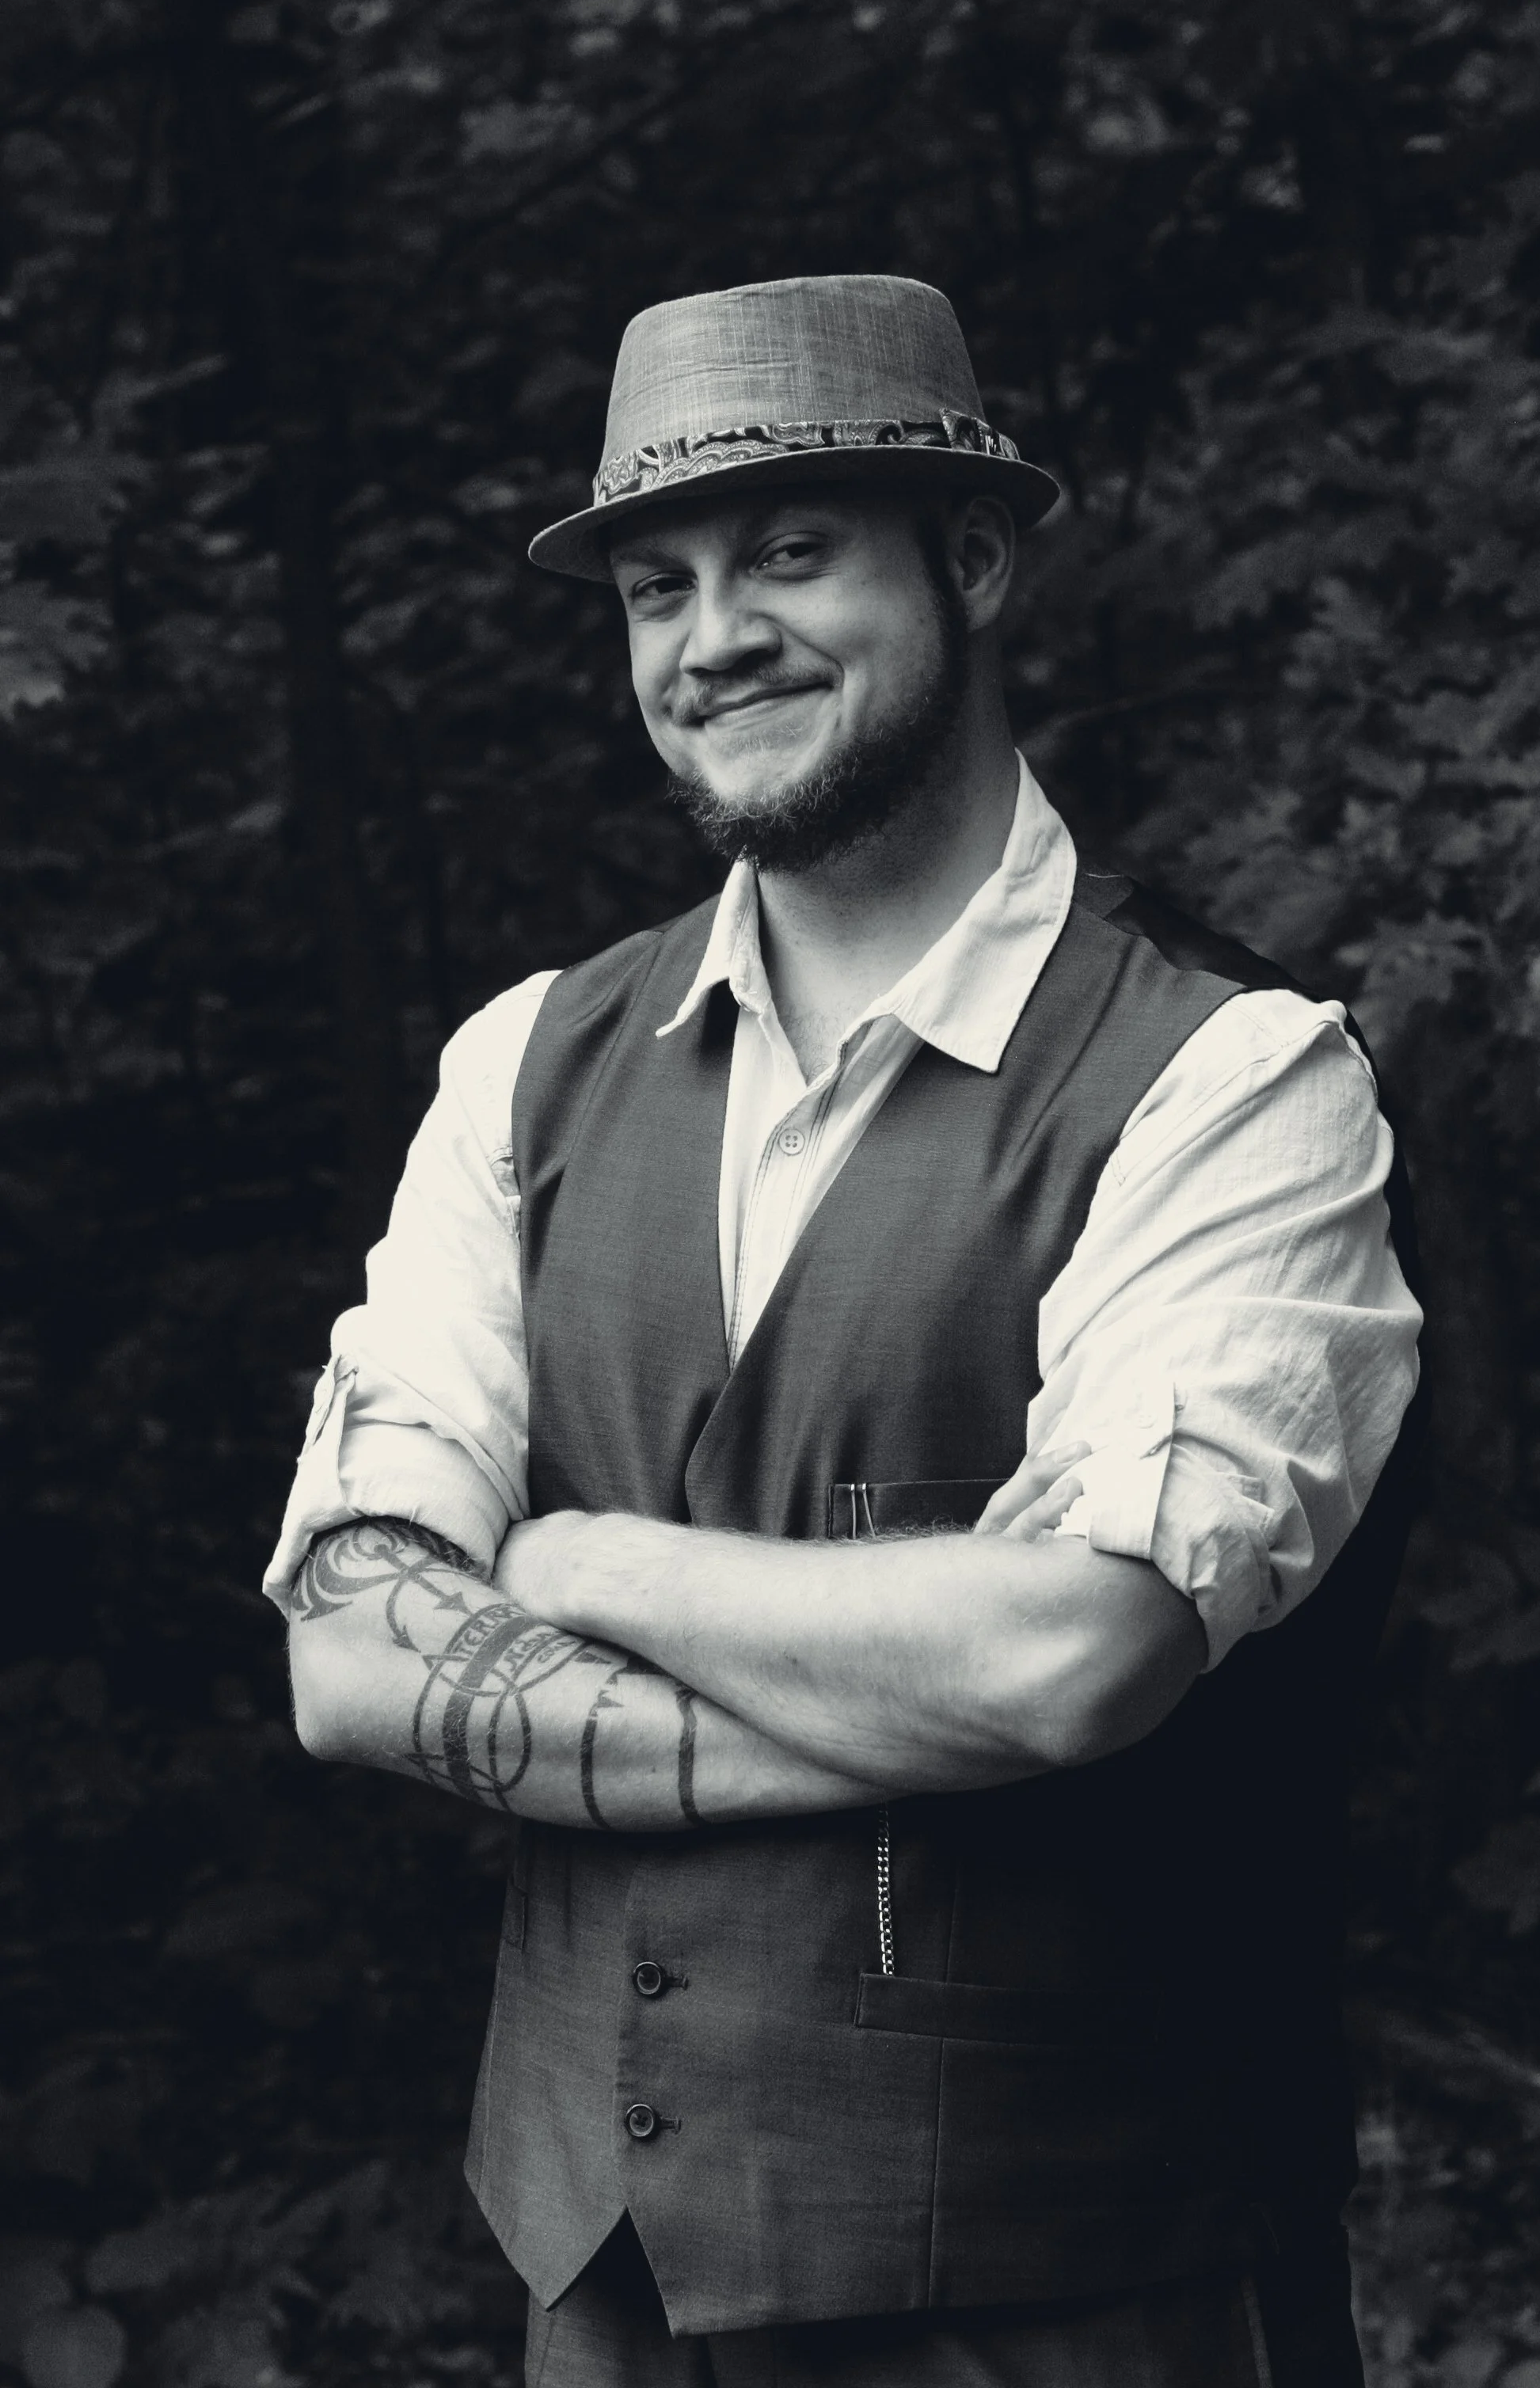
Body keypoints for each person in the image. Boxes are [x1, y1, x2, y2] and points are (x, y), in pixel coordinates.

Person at [265, 275, 1423, 2388]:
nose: (714, 640)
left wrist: (579, 1567)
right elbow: (351, 1650)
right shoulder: (521, 1067)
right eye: (657, 585)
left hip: (1076, 2290)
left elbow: (1075, 1657)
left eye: (792, 553)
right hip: (601, 2283)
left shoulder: (1232, 1077)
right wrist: (894, 1698)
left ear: (973, 563)